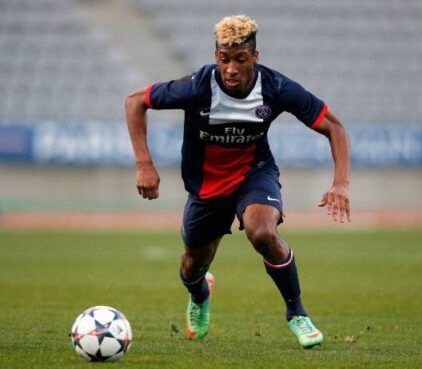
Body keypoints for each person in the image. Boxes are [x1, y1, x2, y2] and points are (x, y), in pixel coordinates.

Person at [125, 15, 350, 349]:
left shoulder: (275, 88)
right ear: (217, 56)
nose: (230, 69)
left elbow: (334, 127)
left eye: (240, 60)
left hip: (253, 176)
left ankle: (297, 314)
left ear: (254, 58)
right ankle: (200, 294)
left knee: (263, 232)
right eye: (224, 59)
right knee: (192, 267)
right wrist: (144, 163)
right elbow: (135, 101)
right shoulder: (199, 85)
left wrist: (341, 183)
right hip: (206, 188)